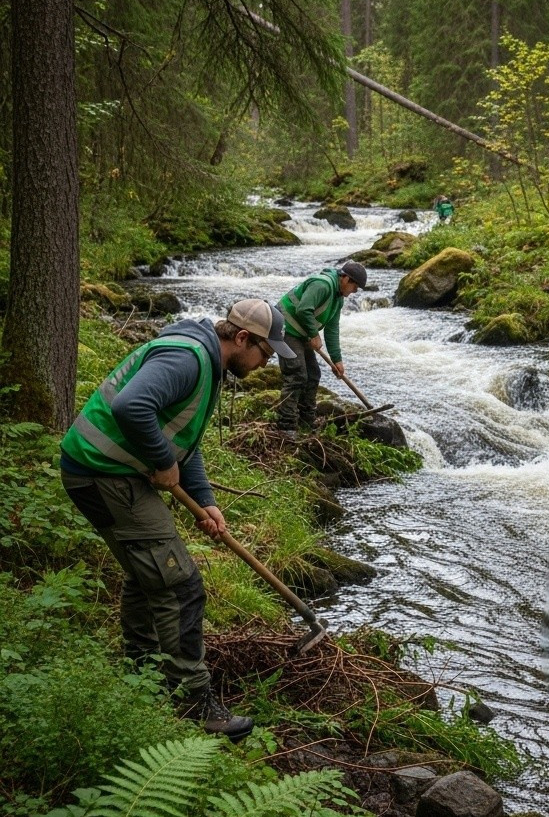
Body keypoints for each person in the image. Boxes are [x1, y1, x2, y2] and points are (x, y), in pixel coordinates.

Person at [59, 299, 295, 742]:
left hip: (108, 471)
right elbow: (132, 407)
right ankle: (196, 700)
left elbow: (184, 439)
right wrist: (162, 461)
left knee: (146, 572)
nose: (266, 363)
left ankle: (140, 672)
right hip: (101, 472)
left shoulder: (208, 361)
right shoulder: (187, 358)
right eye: (265, 353)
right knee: (179, 584)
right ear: (242, 338)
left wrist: (205, 500)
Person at [275, 260, 368, 438]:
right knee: (297, 375)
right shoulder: (322, 285)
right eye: (355, 287)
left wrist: (337, 360)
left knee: (313, 375)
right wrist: (313, 334)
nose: (354, 292)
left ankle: (306, 423)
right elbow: (303, 309)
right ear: (346, 279)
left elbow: (332, 329)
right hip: (285, 327)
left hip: (301, 332)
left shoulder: (338, 298)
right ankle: (286, 426)